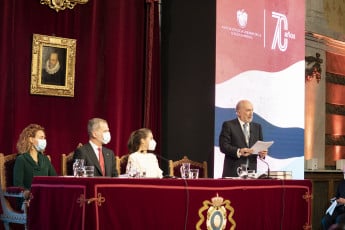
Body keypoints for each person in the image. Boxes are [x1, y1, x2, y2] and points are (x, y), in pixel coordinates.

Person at [219, 99, 267, 177]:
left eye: (252, 110)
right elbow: (223, 146)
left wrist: (262, 153)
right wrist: (239, 151)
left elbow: (260, 146)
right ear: (238, 112)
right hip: (233, 172)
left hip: (251, 173)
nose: (251, 113)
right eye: (248, 110)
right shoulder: (229, 125)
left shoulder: (257, 127)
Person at [13, 124, 57, 191]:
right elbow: (18, 185)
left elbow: (55, 180)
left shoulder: (45, 159)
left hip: (46, 197)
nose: (44, 140)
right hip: (29, 199)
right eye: (41, 138)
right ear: (31, 139)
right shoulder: (21, 159)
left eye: (44, 138)